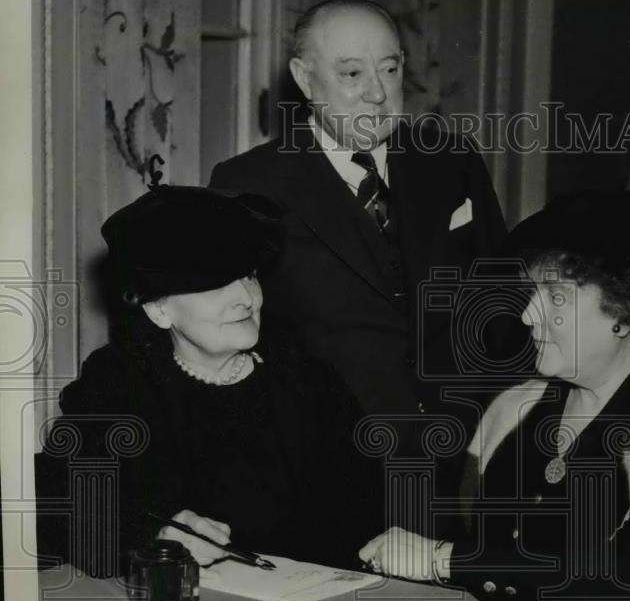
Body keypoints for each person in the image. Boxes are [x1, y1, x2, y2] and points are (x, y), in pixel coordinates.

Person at [358, 187, 630, 601]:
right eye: (533, 292)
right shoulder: (518, 402)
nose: (527, 315)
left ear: (626, 310)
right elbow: (449, 521)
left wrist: (443, 560)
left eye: (556, 297)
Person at [208, 0, 509, 467]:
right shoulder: (248, 184)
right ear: (305, 79)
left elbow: (500, 297)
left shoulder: (451, 160)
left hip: (464, 456)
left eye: (389, 70)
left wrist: (495, 422)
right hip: (326, 467)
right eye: (352, 74)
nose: (377, 93)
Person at [35, 185, 382, 577]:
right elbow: (58, 500)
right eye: (215, 285)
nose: (246, 298)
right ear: (159, 309)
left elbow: (367, 511)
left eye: (249, 276)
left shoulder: (308, 382)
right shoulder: (116, 382)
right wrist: (153, 535)